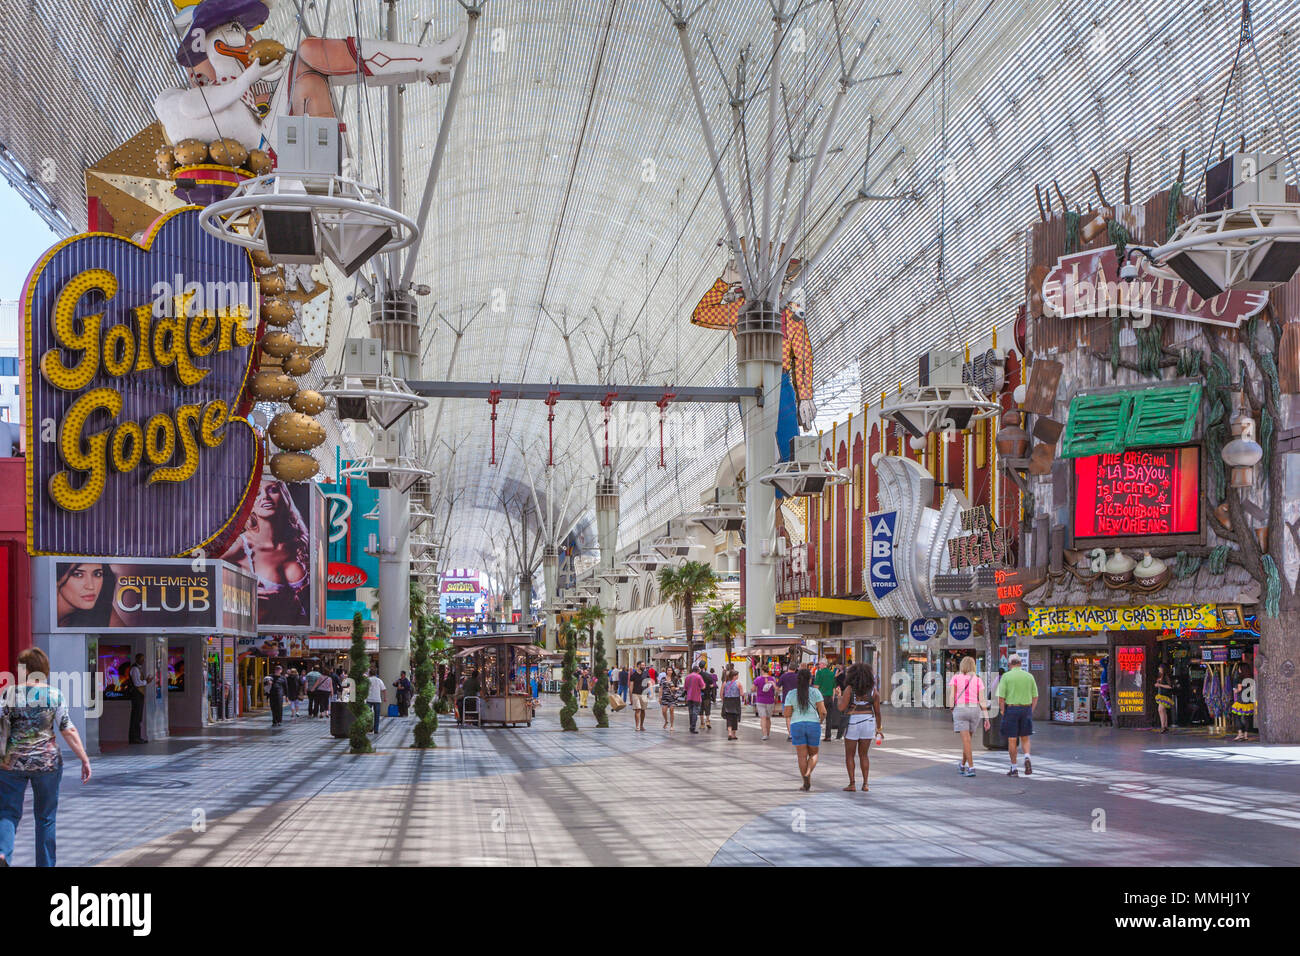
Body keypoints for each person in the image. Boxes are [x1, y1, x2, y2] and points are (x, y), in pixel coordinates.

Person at [0, 648, 93, 867]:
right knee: (45, 818)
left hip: (11, 762)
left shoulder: (8, 694)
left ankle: (3, 853)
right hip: (47, 763)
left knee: (8, 813)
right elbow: (67, 729)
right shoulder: (54, 694)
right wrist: (84, 758)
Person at [221, 480, 313, 626]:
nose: (265, 497)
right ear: (248, 504)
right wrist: (243, 593)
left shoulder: (298, 543)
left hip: (295, 635)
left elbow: (310, 609)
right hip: (252, 633)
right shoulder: (240, 545)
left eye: (273, 490)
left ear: (284, 497)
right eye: (257, 494)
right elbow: (205, 574)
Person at [838, 662, 883, 791]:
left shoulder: (849, 689)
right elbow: (878, 713)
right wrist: (879, 729)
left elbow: (841, 708)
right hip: (868, 721)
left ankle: (852, 784)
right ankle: (865, 784)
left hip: (853, 722)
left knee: (850, 755)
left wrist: (839, 697)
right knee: (864, 755)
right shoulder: (874, 692)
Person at [783, 668, 826, 791]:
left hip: (797, 724)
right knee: (814, 753)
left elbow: (786, 714)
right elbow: (823, 711)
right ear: (810, 679)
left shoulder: (791, 694)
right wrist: (820, 721)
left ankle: (805, 782)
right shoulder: (816, 692)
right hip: (813, 724)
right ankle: (808, 772)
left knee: (801, 756)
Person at [996, 655, 1038, 776]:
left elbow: (1001, 698)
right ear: (1020, 663)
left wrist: (1003, 711)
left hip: (1012, 709)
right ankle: (1027, 756)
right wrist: (1031, 709)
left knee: (1012, 739)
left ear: (1009, 664)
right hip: (1026, 709)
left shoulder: (1006, 676)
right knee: (1025, 737)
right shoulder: (1029, 676)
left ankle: (1014, 768)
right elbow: (1035, 696)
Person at [949, 657, 990, 777]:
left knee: (966, 741)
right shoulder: (978, 680)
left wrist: (952, 708)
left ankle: (971, 767)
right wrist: (986, 718)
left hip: (961, 709)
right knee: (968, 741)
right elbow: (982, 700)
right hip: (975, 710)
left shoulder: (956, 678)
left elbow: (952, 696)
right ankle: (962, 765)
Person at [127, 653, 153, 743]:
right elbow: (137, 683)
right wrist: (147, 681)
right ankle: (134, 738)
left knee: (138, 716)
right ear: (137, 659)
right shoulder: (135, 669)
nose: (143, 661)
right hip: (136, 694)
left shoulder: (138, 669)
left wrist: (145, 681)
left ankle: (137, 737)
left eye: (143, 659)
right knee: (136, 716)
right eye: (141, 659)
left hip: (139, 694)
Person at [814, 659, 838, 741]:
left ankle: (816, 734)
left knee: (817, 717)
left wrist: (814, 698)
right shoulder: (832, 674)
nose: (819, 665)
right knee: (829, 718)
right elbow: (834, 687)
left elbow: (816, 686)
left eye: (820, 664)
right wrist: (833, 697)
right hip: (830, 697)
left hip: (821, 698)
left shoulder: (819, 673)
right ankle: (828, 736)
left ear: (823, 664)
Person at [753, 666, 778, 740]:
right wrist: (776, 698)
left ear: (762, 670)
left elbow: (753, 689)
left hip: (760, 700)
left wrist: (757, 688)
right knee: (768, 718)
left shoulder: (758, 679)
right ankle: (768, 733)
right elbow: (776, 689)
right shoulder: (772, 679)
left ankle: (765, 735)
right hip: (770, 700)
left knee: (763, 718)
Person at [776, 664, 800, 742]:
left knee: (788, 717)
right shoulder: (798, 677)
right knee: (796, 717)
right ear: (795, 669)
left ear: (788, 668)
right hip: (797, 699)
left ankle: (790, 735)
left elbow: (777, 687)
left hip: (787, 700)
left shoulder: (783, 676)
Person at [721, 668, 743, 740]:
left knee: (729, 717)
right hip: (735, 701)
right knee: (735, 717)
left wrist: (723, 700)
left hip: (727, 701)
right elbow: (741, 694)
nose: (738, 677)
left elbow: (721, 694)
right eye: (737, 675)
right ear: (734, 676)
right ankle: (733, 734)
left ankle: (729, 733)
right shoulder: (738, 683)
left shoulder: (725, 683)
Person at [683, 665, 706, 734]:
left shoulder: (687, 677)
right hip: (696, 697)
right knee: (695, 712)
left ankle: (691, 726)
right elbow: (703, 687)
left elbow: (685, 688)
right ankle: (692, 728)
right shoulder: (699, 676)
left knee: (691, 712)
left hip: (689, 697)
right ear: (698, 670)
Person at [1154, 664, 1174, 734]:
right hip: (1160, 695)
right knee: (1163, 711)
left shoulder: (1166, 676)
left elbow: (1170, 686)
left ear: (1163, 669)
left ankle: (1163, 726)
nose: (1159, 669)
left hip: (1165, 695)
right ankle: (1165, 726)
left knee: (1160, 709)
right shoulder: (1160, 676)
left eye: (1160, 668)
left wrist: (1160, 685)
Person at [365, 666, 387, 733]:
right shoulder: (379, 680)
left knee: (368, 715)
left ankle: (369, 728)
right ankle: (376, 730)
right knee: (377, 715)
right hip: (377, 700)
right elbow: (384, 689)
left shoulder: (368, 680)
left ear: (370, 673)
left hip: (369, 699)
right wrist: (385, 698)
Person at [628, 662, 648, 731]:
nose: (644, 666)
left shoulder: (646, 674)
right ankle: (637, 726)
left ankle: (641, 725)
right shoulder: (633, 675)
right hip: (635, 694)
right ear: (638, 666)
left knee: (643, 710)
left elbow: (648, 683)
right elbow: (631, 686)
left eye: (644, 665)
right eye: (642, 665)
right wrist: (630, 697)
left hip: (644, 694)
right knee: (638, 709)